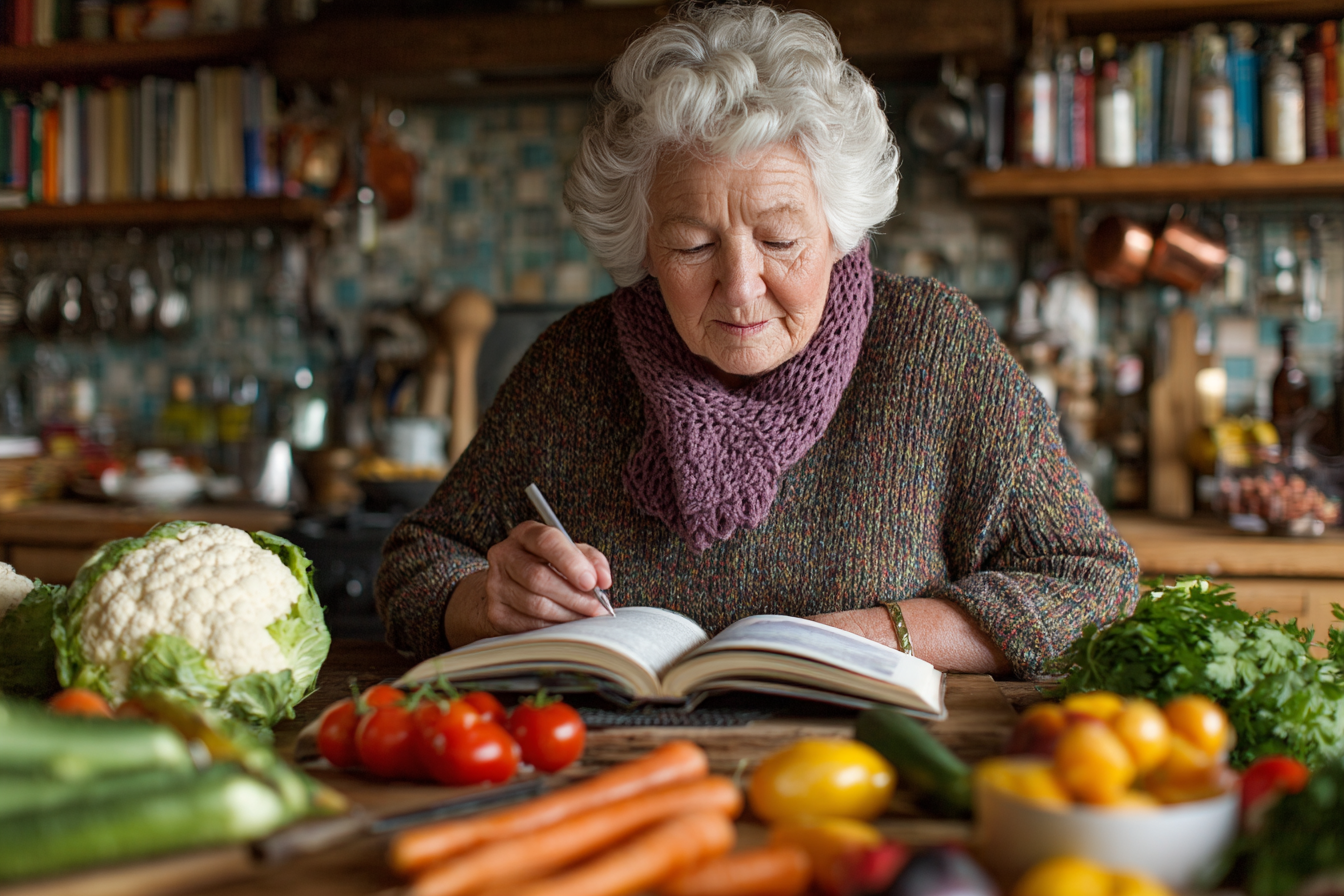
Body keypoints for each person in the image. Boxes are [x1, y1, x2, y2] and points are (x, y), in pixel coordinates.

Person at [375, 3, 1138, 680]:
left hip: (866, 783)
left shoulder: (935, 348)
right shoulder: (574, 362)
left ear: (838, 229)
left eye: (779, 240)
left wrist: (878, 636)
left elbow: (1094, 583)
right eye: (692, 246)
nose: (741, 286)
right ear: (641, 244)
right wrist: (484, 600)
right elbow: (415, 564)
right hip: (612, 778)